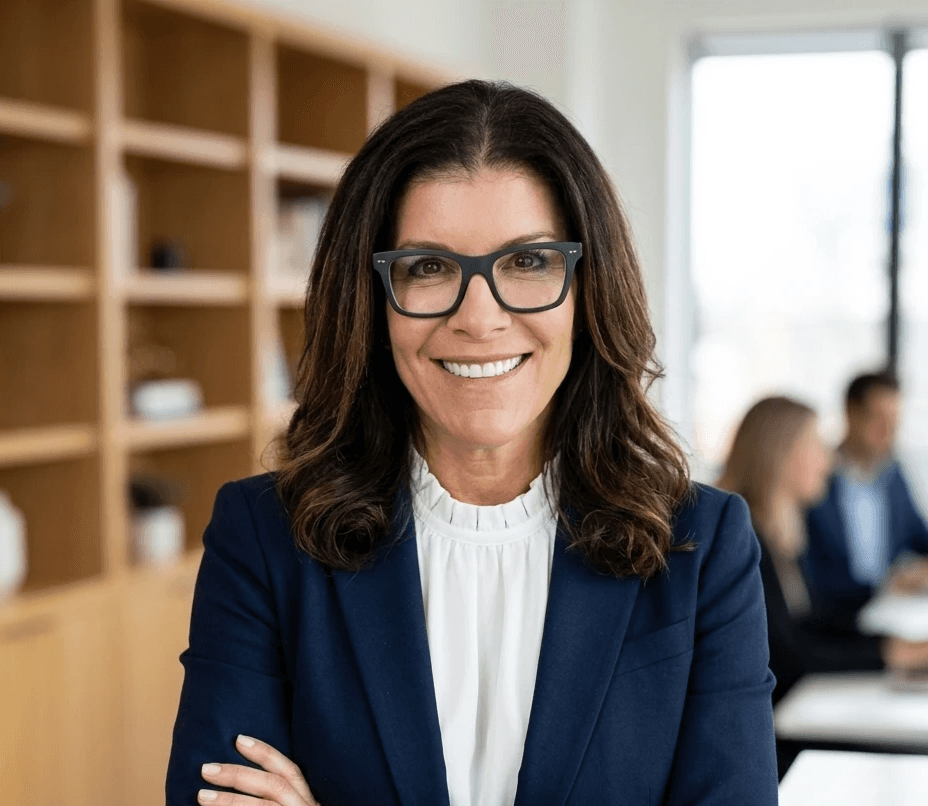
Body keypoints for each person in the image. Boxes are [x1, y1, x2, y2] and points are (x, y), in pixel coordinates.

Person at [166, 79, 778, 806]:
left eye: (528, 263)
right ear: (370, 299)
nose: (479, 318)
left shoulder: (702, 548)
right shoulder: (265, 540)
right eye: (428, 268)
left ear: (590, 290)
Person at [717, 395, 928, 779]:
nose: (828, 462)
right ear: (779, 455)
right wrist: (890, 655)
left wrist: (891, 642)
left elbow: (812, 618)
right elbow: (784, 655)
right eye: (815, 447)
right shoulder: (742, 540)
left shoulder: (780, 534)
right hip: (762, 745)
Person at [804, 371, 928, 628]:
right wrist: (886, 585)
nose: (888, 432)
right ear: (851, 413)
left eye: (895, 421)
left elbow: (920, 536)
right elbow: (806, 578)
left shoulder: (894, 476)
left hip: (889, 613)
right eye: (879, 419)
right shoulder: (813, 480)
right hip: (832, 622)